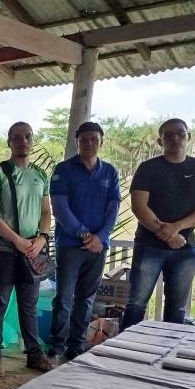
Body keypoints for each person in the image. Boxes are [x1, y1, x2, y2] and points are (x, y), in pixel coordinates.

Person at [120, 118, 195, 329]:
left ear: (188, 137)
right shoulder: (147, 168)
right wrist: (167, 233)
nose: (175, 138)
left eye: (180, 133)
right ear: (159, 141)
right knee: (136, 304)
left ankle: (168, 357)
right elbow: (139, 206)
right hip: (148, 245)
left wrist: (177, 228)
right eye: (168, 135)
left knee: (176, 308)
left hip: (185, 247)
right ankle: (122, 354)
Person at [0, 122, 53, 374]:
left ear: (32, 140)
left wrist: (42, 238)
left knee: (29, 305)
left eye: (27, 137)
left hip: (33, 251)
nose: (23, 141)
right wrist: (17, 240)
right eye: (17, 137)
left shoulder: (41, 175)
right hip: (3, 250)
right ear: (9, 141)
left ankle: (34, 353)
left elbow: (46, 212)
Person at [47, 122, 120, 362]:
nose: (89, 143)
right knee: (64, 297)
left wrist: (100, 237)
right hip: (70, 245)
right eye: (84, 139)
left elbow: (113, 208)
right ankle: (56, 345)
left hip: (98, 246)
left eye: (94, 139)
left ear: (101, 142)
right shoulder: (63, 170)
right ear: (77, 141)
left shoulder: (109, 172)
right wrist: (84, 234)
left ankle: (76, 346)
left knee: (86, 298)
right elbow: (60, 208)